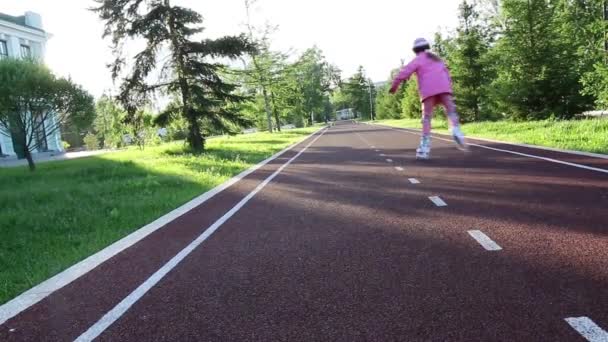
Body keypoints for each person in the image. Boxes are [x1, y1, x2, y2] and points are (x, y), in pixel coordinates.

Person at [389, 38, 467, 159]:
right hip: (444, 88)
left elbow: (403, 73)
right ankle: (456, 130)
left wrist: (394, 87)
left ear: (415, 50)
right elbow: (447, 73)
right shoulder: (437, 59)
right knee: (451, 111)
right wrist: (448, 88)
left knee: (427, 118)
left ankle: (424, 148)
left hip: (428, 91)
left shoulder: (418, 60)